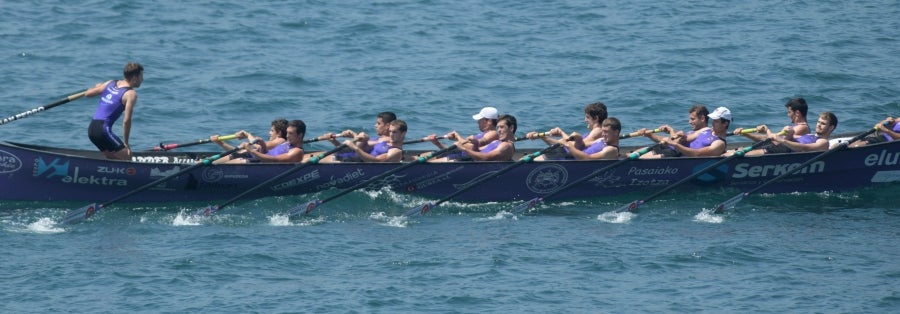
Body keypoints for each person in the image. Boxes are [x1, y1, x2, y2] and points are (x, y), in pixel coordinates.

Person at [84, 62, 143, 160]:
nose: (143, 79)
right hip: (103, 130)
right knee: (127, 157)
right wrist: (126, 143)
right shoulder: (131, 94)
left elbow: (87, 94)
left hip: (92, 129)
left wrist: (97, 87)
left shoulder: (110, 83)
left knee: (112, 158)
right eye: (141, 77)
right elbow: (126, 120)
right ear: (134, 78)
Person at [526, 102, 607, 160]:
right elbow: (565, 143)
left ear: (596, 118)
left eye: (587, 117)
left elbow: (575, 147)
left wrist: (561, 133)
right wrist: (541, 136)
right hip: (560, 152)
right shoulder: (594, 132)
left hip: (563, 156)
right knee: (528, 157)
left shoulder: (597, 132)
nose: (585, 120)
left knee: (526, 160)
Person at [640, 105, 729, 158]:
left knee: (640, 158)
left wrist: (675, 144)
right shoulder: (705, 131)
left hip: (679, 159)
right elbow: (675, 141)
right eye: (713, 120)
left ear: (725, 123)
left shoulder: (719, 143)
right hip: (673, 152)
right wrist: (651, 135)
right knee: (631, 154)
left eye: (716, 121)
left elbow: (697, 154)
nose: (712, 123)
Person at [732, 97, 811, 155]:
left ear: (797, 113)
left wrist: (767, 130)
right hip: (772, 149)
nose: (788, 115)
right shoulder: (795, 127)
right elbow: (768, 139)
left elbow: (775, 141)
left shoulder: (802, 128)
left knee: (731, 154)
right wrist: (745, 134)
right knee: (731, 152)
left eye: (789, 112)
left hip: (775, 152)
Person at [425, 106, 500, 161]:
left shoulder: (493, 133)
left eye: (480, 119)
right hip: (458, 154)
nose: (478, 122)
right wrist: (437, 143)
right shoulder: (481, 134)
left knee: (425, 161)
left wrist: (458, 137)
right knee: (424, 156)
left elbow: (472, 148)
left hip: (463, 160)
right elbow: (459, 147)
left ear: (489, 121)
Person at [322, 111, 397, 162]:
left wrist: (355, 136)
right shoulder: (377, 139)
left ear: (387, 126)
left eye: (378, 123)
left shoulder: (387, 142)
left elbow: (357, 148)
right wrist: (334, 141)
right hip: (341, 156)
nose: (375, 126)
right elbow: (349, 149)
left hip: (343, 161)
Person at [209, 118, 288, 164]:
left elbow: (259, 145)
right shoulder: (273, 143)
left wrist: (247, 135)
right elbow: (238, 151)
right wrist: (219, 142)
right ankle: (202, 163)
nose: (269, 133)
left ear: (279, 133)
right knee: (233, 154)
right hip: (248, 156)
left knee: (236, 157)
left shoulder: (281, 140)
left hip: (254, 160)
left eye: (272, 131)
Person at [234, 119, 307, 163]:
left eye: (290, 133)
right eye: (287, 132)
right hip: (259, 161)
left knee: (238, 161)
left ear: (300, 135)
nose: (287, 136)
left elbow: (275, 160)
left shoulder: (297, 151)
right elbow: (267, 154)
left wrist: (251, 151)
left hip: (262, 166)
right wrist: (263, 145)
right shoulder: (287, 144)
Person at [449, 114, 517, 161]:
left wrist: (464, 149)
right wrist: (475, 143)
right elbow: (477, 151)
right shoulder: (496, 142)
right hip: (470, 161)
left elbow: (486, 158)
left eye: (502, 127)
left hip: (473, 166)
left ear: (511, 128)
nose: (498, 130)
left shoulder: (506, 145)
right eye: (498, 127)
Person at [766, 112, 837, 152]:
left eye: (823, 124)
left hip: (781, 153)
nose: (819, 125)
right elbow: (779, 139)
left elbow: (805, 148)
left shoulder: (823, 142)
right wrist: (767, 130)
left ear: (831, 127)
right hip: (777, 148)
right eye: (818, 122)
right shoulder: (809, 135)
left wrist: (783, 140)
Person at [340, 119, 407, 162]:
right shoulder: (386, 143)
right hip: (357, 163)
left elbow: (377, 161)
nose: (391, 135)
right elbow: (365, 147)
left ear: (403, 134)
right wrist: (355, 136)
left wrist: (355, 148)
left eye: (394, 132)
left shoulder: (395, 151)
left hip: (362, 170)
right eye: (390, 131)